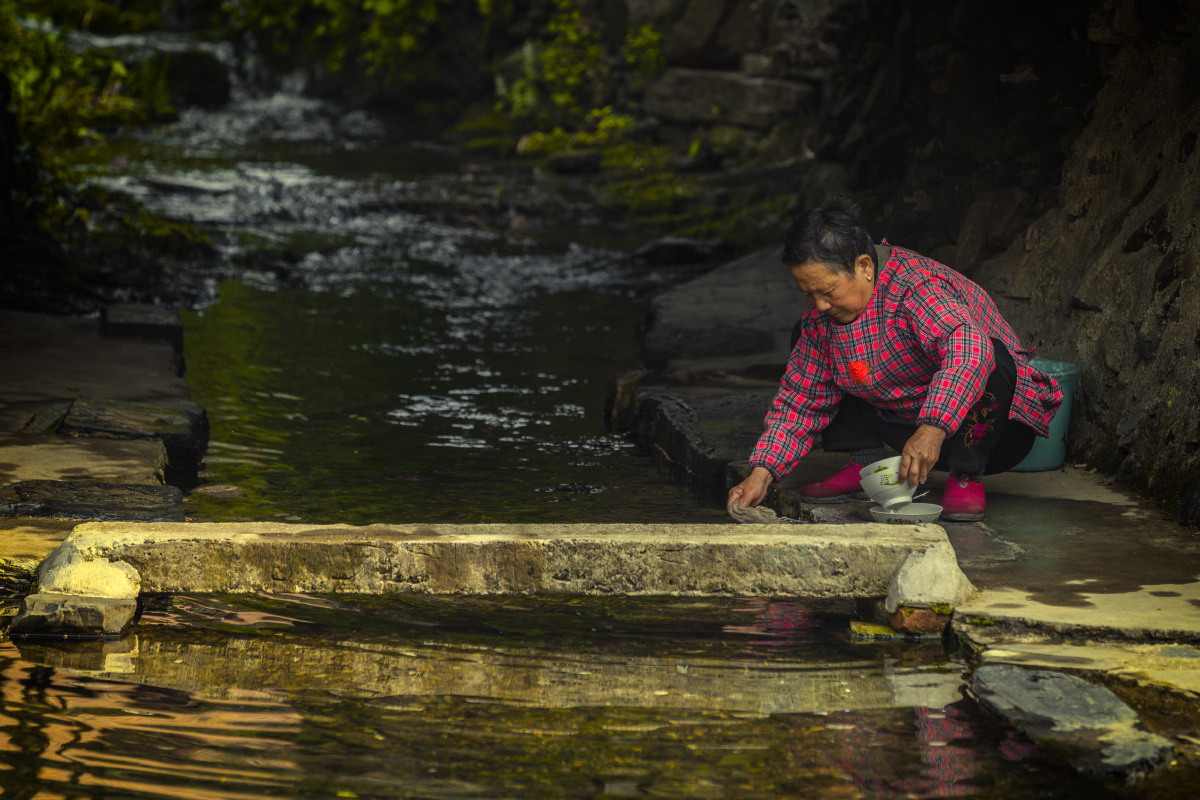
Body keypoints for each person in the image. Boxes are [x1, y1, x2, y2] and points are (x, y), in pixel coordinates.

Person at [727, 193, 1063, 521]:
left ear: (864, 266)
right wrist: (762, 473)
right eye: (808, 293)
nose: (820, 305)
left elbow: (969, 350)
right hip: (907, 432)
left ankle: (966, 477)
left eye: (828, 291)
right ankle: (867, 465)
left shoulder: (915, 286)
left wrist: (932, 430)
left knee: (989, 354)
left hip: (991, 434)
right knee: (809, 332)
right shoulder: (822, 320)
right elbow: (799, 399)